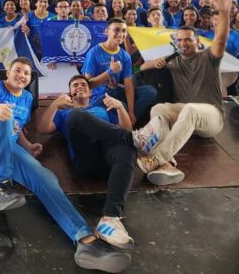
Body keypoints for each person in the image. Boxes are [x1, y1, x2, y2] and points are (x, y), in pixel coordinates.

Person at [0, 58, 132, 273]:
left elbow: (16, 128)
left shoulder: (26, 98)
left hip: (4, 150)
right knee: (2, 116)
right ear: (8, 73)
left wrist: (27, 145)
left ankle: (85, 241)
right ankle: (2, 187)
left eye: (26, 73)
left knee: (46, 177)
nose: (22, 75)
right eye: (17, 70)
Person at [38, 75, 165, 250]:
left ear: (90, 92)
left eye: (84, 84)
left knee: (127, 146)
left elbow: (125, 129)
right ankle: (136, 138)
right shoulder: (64, 112)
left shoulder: (102, 109)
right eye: (75, 85)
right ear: (70, 92)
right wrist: (54, 104)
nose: (80, 86)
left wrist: (120, 107)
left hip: (109, 159)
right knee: (77, 116)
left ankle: (110, 219)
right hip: (87, 158)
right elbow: (43, 128)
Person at [135, 0, 233, 185]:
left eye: (188, 40)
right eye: (179, 40)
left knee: (190, 109)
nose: (183, 43)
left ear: (197, 42)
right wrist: (153, 63)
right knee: (159, 108)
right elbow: (138, 70)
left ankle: (156, 158)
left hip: (211, 116)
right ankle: (168, 164)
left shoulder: (209, 57)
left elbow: (221, 39)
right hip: (184, 117)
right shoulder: (172, 61)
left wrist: (223, 13)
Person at [82, 18, 157, 125]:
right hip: (100, 97)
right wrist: (110, 71)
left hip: (117, 92)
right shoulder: (94, 52)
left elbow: (128, 85)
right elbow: (89, 85)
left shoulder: (125, 55)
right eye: (116, 30)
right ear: (107, 31)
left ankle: (129, 120)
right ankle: (125, 122)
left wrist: (131, 112)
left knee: (150, 91)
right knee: (119, 106)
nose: (121, 34)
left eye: (123, 31)